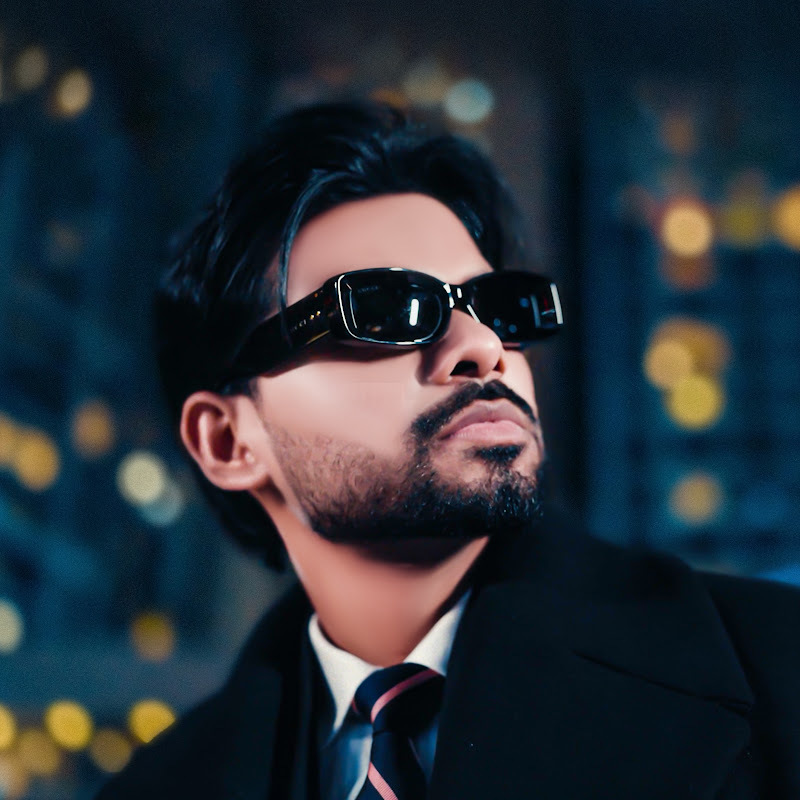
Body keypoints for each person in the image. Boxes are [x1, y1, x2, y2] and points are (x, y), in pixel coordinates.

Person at [98, 102, 800, 800]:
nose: (483, 346)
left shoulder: (778, 666)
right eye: (384, 310)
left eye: (498, 307)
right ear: (228, 441)